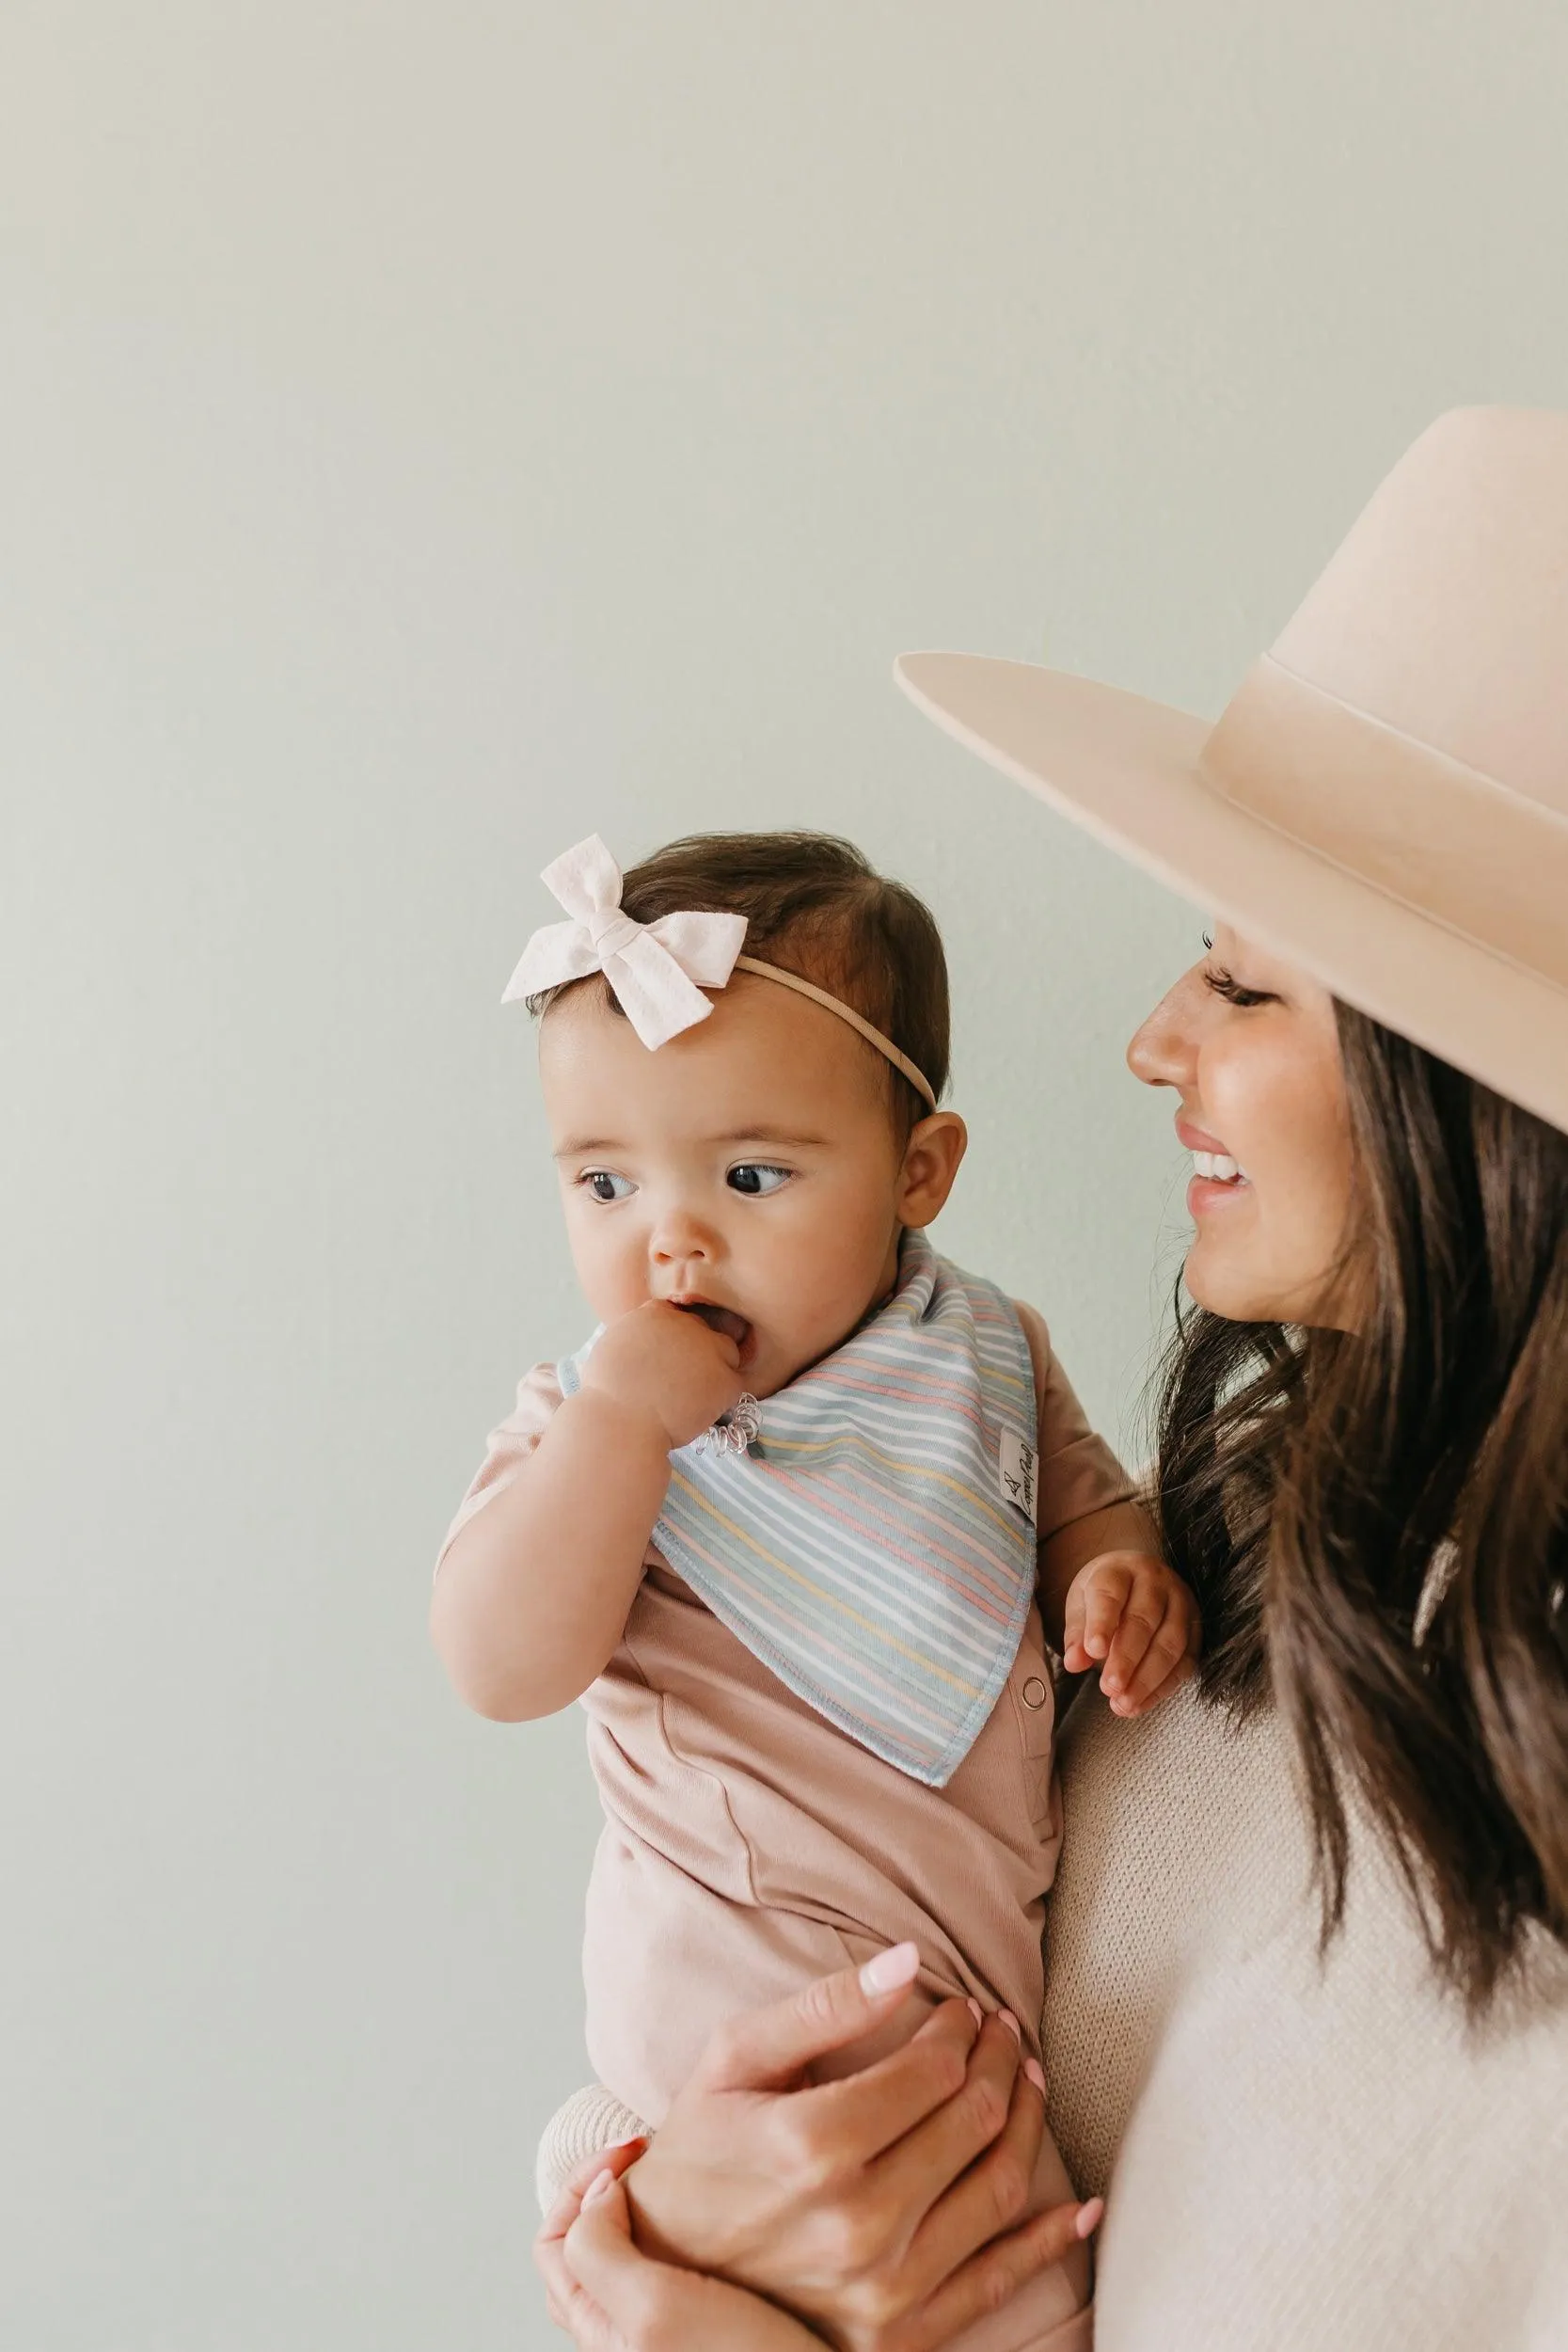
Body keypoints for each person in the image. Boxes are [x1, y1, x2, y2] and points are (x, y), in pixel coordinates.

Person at [533, 405, 1568, 2352]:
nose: (1147, 1038)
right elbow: (765, 2007)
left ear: (1482, 1110)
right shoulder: (1201, 1592)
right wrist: (652, 2206)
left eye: (1243, 983)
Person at [432, 827, 1202, 2350]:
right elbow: (499, 1663)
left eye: (751, 1173)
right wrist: (620, 1434)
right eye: (602, 1182)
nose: (670, 1240)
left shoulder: (981, 1355)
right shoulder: (589, 1423)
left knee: (1025, 2277)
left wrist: (1116, 1566)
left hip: (964, 2008)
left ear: (918, 1171)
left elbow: (1085, 1495)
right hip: (730, 1998)